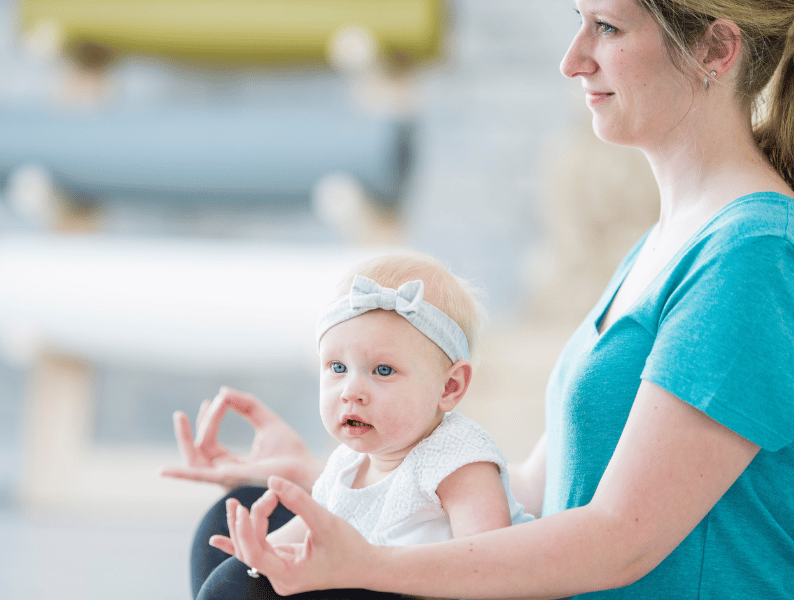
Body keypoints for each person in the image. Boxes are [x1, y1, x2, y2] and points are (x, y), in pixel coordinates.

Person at [163, 0, 794, 597]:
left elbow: (620, 539)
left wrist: (372, 562)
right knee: (239, 522)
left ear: (716, 46)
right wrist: (349, 477)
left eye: (607, 27)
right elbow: (532, 490)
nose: (573, 59)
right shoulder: (668, 242)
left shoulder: (751, 255)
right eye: (580, 22)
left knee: (243, 587)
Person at [162, 253, 532, 599]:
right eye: (337, 368)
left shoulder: (459, 461)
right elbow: (303, 532)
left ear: (449, 387)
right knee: (229, 545)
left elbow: (488, 567)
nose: (351, 391)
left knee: (235, 584)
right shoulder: (347, 465)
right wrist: (259, 550)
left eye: (382, 371)